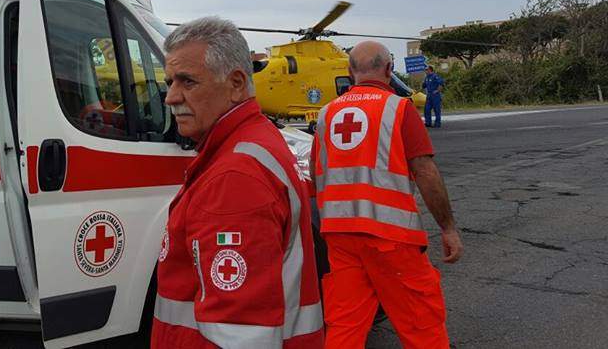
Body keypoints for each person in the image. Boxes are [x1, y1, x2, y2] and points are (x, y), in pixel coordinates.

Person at [151, 17, 324, 349]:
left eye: (187, 82)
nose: (170, 97)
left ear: (235, 83)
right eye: (170, 81)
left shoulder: (235, 177)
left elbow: (240, 336)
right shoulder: (252, 143)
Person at [310, 41, 462, 349]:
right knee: (421, 323)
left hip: (339, 236)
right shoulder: (399, 108)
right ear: (389, 70)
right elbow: (425, 173)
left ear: (350, 72)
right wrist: (447, 228)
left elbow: (316, 175)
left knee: (345, 325)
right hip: (391, 236)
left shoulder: (326, 114)